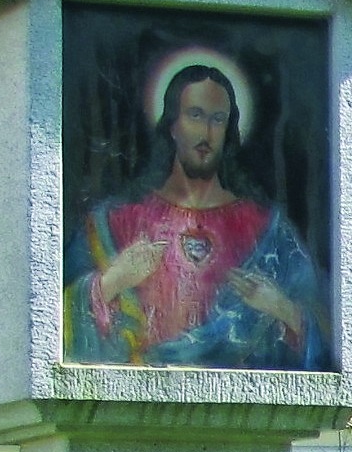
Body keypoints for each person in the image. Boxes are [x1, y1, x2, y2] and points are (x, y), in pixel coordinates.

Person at [64, 63, 331, 370]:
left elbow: (325, 334)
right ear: (172, 124)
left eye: (218, 120)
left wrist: (281, 307)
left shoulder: (270, 233)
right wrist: (113, 280)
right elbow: (55, 325)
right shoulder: (115, 223)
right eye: (195, 115)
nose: (206, 133)